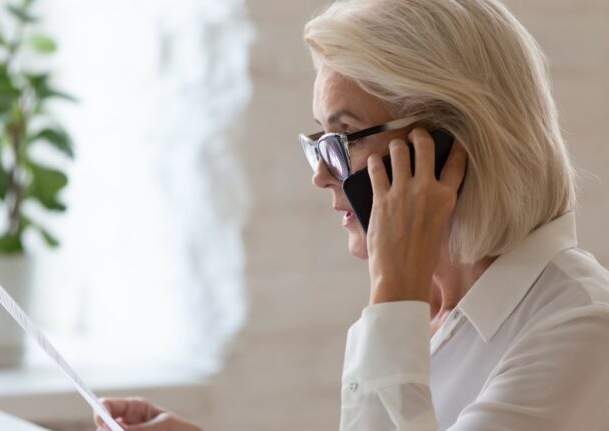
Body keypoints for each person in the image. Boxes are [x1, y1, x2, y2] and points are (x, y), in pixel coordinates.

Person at [96, 0, 609, 429]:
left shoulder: (581, 327)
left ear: (447, 145)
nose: (321, 174)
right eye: (318, 141)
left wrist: (394, 291)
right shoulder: (430, 308)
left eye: (342, 140)